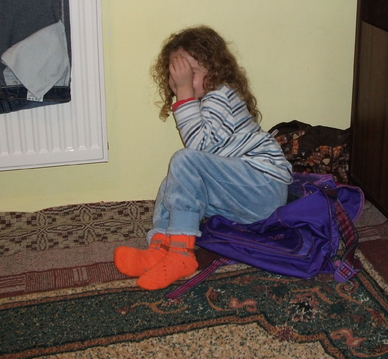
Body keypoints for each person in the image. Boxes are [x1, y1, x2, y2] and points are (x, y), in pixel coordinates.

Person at [114, 25, 292, 290]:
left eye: (191, 73)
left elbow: (199, 147)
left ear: (215, 70)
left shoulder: (222, 95)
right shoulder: (207, 101)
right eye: (177, 75)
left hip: (263, 186)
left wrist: (184, 93)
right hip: (241, 197)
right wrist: (186, 93)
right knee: (174, 180)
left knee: (184, 160)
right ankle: (159, 248)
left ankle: (181, 254)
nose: (182, 81)